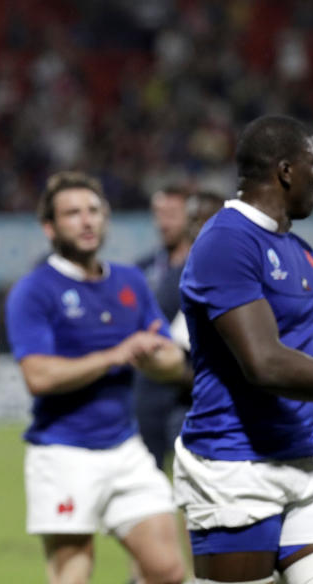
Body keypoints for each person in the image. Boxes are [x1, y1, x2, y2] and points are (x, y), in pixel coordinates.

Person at [6, 171, 187, 584]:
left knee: (169, 572)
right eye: (72, 213)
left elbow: (174, 361)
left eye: (93, 211)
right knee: (73, 576)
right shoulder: (34, 289)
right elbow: (38, 376)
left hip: (125, 448)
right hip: (63, 454)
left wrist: (150, 356)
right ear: (50, 227)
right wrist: (115, 355)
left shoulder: (130, 281)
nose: (86, 221)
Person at [175, 114, 313, 583]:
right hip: (235, 467)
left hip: (306, 461)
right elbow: (264, 363)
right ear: (285, 171)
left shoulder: (300, 249)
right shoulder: (226, 241)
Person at [132, 186, 193, 470]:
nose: (163, 222)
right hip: (148, 391)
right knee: (146, 483)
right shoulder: (142, 269)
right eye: (158, 214)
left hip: (190, 389)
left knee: (196, 485)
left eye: (172, 214)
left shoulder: (206, 266)